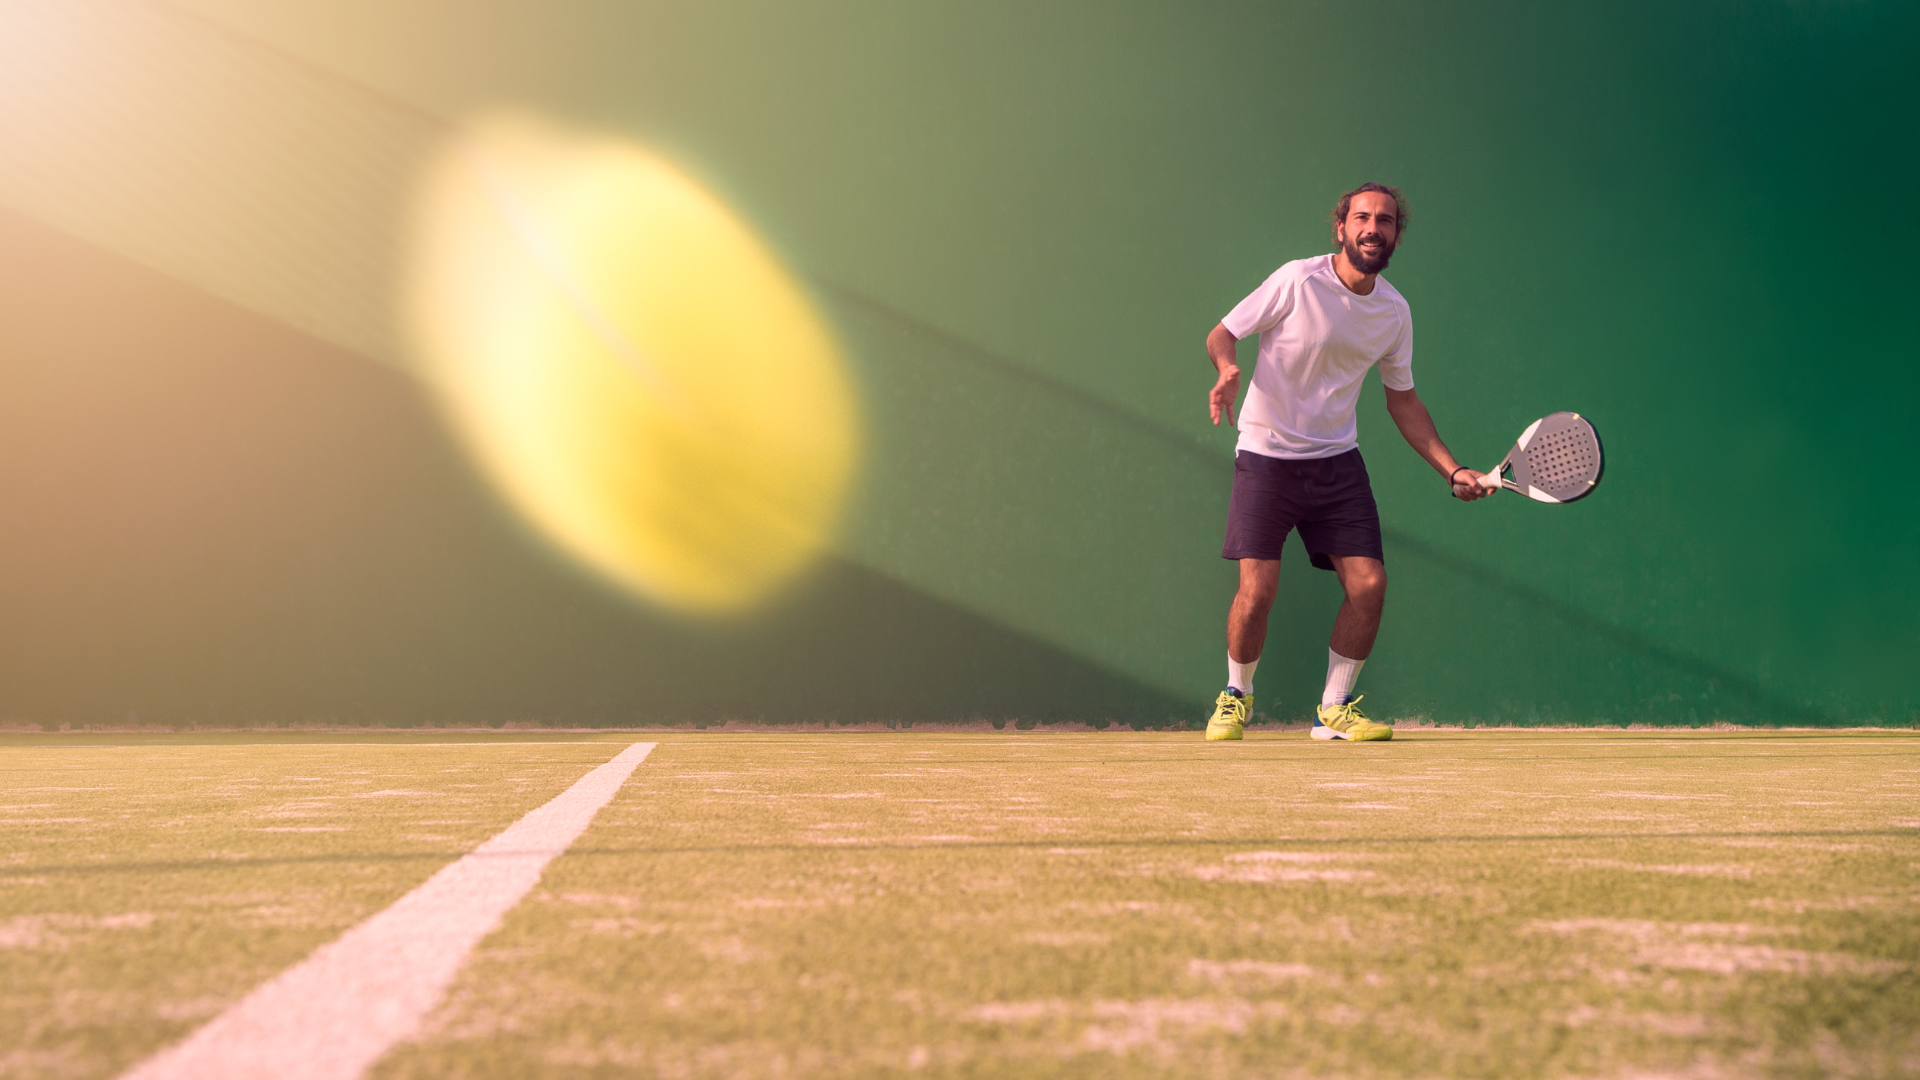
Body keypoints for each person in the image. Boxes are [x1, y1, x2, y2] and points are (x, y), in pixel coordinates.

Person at [1201, 183, 1490, 743]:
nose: (1372, 228)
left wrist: (1452, 470)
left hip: (1336, 462)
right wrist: (1226, 367)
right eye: (1361, 217)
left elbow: (1402, 399)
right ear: (1341, 227)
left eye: (1384, 221)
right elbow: (1223, 331)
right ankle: (1236, 695)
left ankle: (1332, 710)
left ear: (1395, 236)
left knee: (1369, 585)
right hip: (1266, 455)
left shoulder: (1394, 313)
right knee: (1257, 592)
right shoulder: (1297, 280)